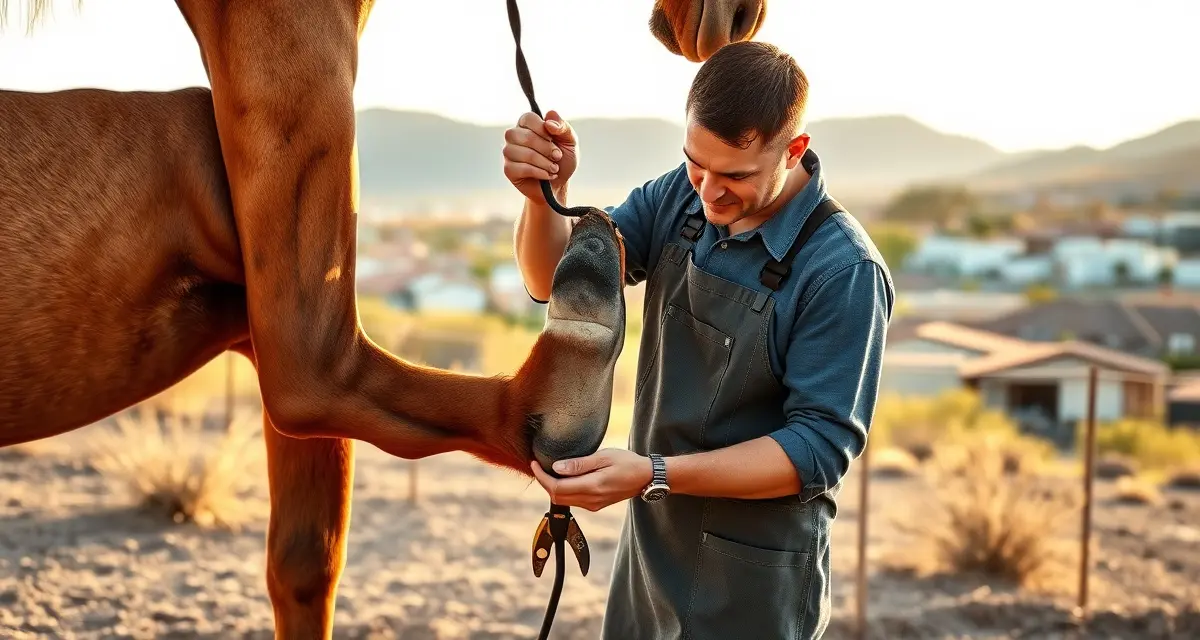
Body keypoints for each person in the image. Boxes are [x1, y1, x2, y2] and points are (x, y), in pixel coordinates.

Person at [503, 40, 894, 640]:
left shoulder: (843, 271)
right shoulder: (679, 198)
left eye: (735, 175)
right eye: (695, 163)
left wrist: (652, 473)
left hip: (753, 581)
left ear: (794, 151)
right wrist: (541, 197)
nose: (709, 192)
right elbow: (554, 280)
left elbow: (818, 450)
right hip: (652, 552)